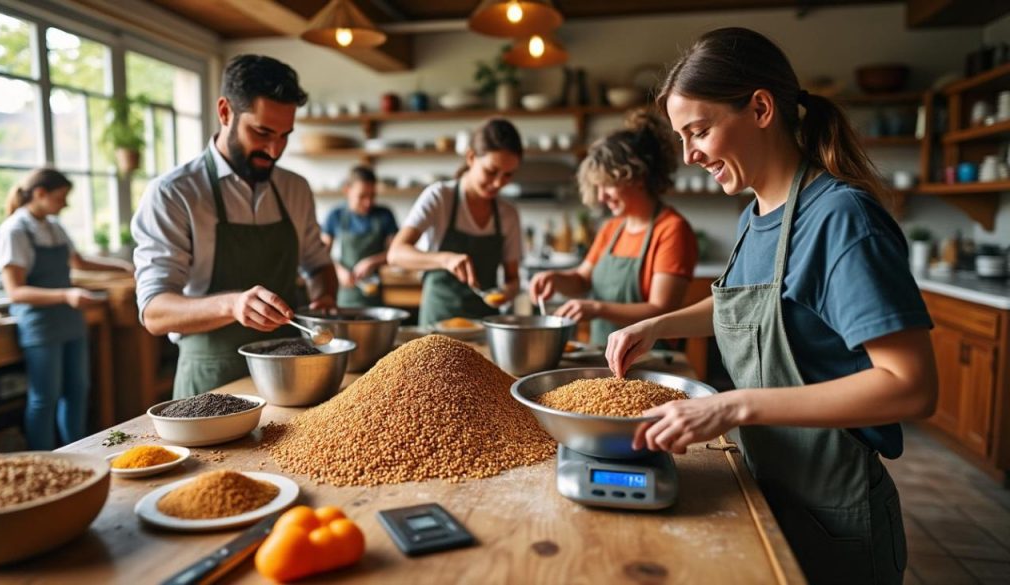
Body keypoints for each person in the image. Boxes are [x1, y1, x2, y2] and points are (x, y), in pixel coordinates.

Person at [605, 28, 936, 585]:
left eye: (700, 131)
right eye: (683, 138)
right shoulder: (755, 214)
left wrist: (733, 407)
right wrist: (660, 323)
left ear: (760, 107)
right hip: (772, 486)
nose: (689, 156)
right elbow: (753, 306)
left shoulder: (840, 219)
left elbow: (911, 385)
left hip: (833, 513)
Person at [132, 54, 337, 398]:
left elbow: (318, 263)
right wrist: (231, 305)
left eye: (285, 135)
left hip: (290, 379)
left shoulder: (295, 189)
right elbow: (154, 311)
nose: (274, 150)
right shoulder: (175, 194)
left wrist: (325, 295)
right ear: (225, 112)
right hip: (211, 382)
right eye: (262, 132)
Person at [529, 110, 697, 346]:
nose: (601, 197)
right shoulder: (612, 228)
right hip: (603, 352)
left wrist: (597, 308)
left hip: (650, 358)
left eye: (607, 185)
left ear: (636, 177)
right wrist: (555, 279)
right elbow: (581, 280)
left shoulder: (672, 230)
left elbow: (662, 309)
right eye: (597, 187)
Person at [0, 168, 133, 450]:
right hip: (40, 326)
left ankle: (78, 454)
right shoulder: (14, 231)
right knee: (45, 398)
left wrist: (125, 266)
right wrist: (66, 295)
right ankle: (45, 460)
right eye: (61, 198)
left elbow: (79, 262)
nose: (65, 204)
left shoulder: (54, 226)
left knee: (77, 391)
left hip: (70, 322)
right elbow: (15, 291)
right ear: (40, 194)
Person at [387, 118, 524, 327]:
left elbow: (512, 279)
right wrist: (445, 260)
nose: (498, 183)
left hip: (484, 326)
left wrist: (507, 293)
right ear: (471, 157)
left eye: (507, 175)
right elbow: (396, 253)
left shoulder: (508, 214)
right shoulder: (440, 197)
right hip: (438, 324)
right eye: (490, 171)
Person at [320, 166, 398, 307]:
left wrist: (372, 261)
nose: (368, 202)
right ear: (347, 190)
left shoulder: (385, 215)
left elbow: (396, 252)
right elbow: (321, 253)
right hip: (345, 291)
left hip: (374, 293)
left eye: (372, 196)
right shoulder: (335, 215)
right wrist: (338, 270)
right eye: (362, 196)